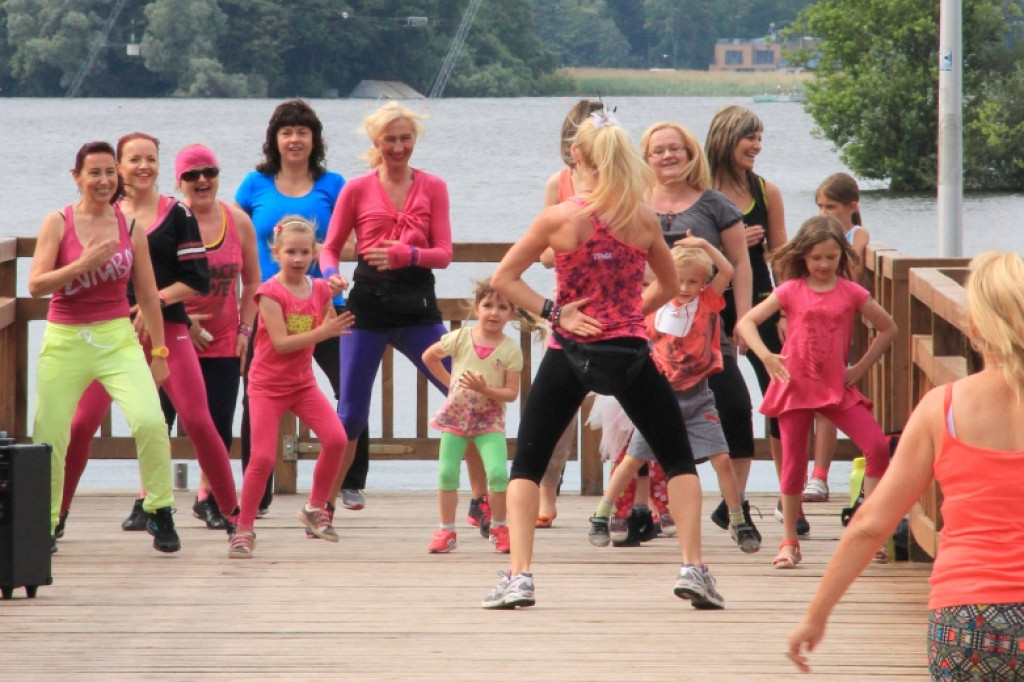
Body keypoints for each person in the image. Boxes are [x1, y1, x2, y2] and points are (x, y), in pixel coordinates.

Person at [483, 111, 723, 610]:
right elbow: (673, 284)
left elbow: (504, 278)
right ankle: (693, 568)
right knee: (677, 458)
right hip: (632, 351)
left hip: (570, 352)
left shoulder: (560, 218)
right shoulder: (641, 218)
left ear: (577, 157)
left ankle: (519, 575)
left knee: (527, 462)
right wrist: (631, 313)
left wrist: (556, 313)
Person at [788, 251, 1024, 678]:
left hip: (966, 616)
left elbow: (871, 524)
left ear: (974, 327)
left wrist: (817, 614)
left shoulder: (944, 407)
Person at [58, 132, 239, 538]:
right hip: (109, 332)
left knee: (197, 419)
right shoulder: (104, 214)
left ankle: (232, 512)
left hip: (168, 327)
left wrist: (152, 300)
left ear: (160, 166)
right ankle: (57, 515)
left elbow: (197, 279)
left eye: (151, 159)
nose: (143, 167)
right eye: (134, 160)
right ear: (119, 168)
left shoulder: (178, 214)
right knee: (81, 423)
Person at [320, 101, 489, 524]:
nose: (398, 147)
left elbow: (444, 254)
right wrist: (330, 277)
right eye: (390, 139)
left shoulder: (433, 186)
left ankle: (481, 500)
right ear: (376, 142)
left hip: (418, 309)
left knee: (463, 397)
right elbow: (329, 247)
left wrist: (406, 254)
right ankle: (321, 504)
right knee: (351, 412)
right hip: (368, 308)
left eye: (405, 138)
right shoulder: (356, 189)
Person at [29, 141, 179, 554]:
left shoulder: (131, 228)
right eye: (93, 173)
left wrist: (161, 354)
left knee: (150, 421)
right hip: (66, 338)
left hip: (116, 337)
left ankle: (160, 509)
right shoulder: (58, 222)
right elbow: (36, 284)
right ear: (76, 177)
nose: (103, 180)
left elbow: (148, 296)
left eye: (110, 172)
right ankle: (47, 522)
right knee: (51, 433)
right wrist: (82, 264)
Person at [234, 98, 370, 519]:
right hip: (270, 302)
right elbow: (233, 235)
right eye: (287, 132)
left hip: (324, 303)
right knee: (256, 394)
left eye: (303, 132)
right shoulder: (254, 185)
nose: (295, 139)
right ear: (274, 140)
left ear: (315, 140)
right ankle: (259, 497)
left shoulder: (334, 185)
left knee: (349, 389)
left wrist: (329, 254)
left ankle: (348, 482)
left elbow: (356, 237)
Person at [736, 216, 896, 568]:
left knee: (876, 447)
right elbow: (745, 322)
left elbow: (887, 328)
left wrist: (860, 368)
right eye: (816, 258)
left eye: (831, 257)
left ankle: (868, 534)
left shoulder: (852, 292)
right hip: (794, 387)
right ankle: (789, 541)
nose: (823, 264)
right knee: (793, 466)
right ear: (803, 257)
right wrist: (766, 357)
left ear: (842, 256)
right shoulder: (791, 290)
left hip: (837, 389)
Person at [588, 240, 759, 554]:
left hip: (698, 397)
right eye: (678, 279)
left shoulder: (708, 301)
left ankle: (738, 520)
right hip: (660, 398)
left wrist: (704, 244)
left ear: (703, 283)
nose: (684, 286)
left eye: (693, 281)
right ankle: (602, 514)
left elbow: (729, 269)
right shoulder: (653, 305)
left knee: (721, 458)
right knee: (633, 459)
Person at [641, 120, 762, 540]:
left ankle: (735, 506)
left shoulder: (714, 204)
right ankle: (641, 511)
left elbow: (740, 263)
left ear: (691, 153)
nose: (668, 156)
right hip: (651, 331)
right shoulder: (635, 202)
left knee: (734, 405)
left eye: (676, 148)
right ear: (646, 159)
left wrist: (743, 319)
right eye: (658, 151)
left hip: (707, 332)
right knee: (641, 418)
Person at [704, 104, 804, 535]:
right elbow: (679, 251)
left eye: (760, 139)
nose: (756, 146)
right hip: (707, 304)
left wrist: (786, 312)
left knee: (782, 396)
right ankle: (730, 501)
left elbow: (782, 257)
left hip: (762, 303)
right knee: (721, 401)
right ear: (727, 139)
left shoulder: (767, 192)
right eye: (750, 138)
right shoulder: (698, 190)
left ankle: (789, 500)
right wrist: (730, 243)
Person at [229, 217, 354, 559]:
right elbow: (283, 343)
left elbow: (328, 318)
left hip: (302, 384)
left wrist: (335, 295)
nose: (297, 259)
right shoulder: (269, 293)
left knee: (337, 439)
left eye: (304, 252)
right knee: (263, 457)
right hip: (267, 385)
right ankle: (244, 529)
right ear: (276, 253)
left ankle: (315, 508)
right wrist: (323, 333)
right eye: (290, 252)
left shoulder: (318, 288)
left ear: (314, 253)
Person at [162, 144, 259, 529]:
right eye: (191, 174)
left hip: (223, 338)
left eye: (209, 172)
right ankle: (148, 500)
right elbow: (150, 282)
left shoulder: (237, 221)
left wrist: (245, 330)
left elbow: (252, 280)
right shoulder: (168, 220)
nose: (202, 181)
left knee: (218, 423)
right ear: (179, 180)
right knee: (158, 419)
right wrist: (184, 320)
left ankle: (209, 498)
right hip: (170, 334)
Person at [422, 279, 539, 554]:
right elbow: (429, 357)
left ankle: (499, 526)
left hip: (490, 422)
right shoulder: (461, 337)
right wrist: (451, 383)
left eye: (502, 307)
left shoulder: (510, 349)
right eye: (488, 305)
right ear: (476, 309)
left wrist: (486, 389)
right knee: (447, 473)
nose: (494, 312)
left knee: (498, 474)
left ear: (511, 314)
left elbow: (511, 393)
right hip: (455, 419)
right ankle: (446, 530)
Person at [536, 98, 604, 528]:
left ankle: (631, 495)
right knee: (554, 411)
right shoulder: (557, 183)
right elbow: (543, 253)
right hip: (568, 308)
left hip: (617, 307)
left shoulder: (626, 183)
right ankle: (547, 491)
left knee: (620, 406)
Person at [803, 172, 869, 503]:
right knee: (806, 402)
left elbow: (854, 269)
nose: (823, 213)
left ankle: (821, 475)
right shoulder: (817, 235)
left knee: (828, 403)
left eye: (830, 206)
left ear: (851, 206)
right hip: (813, 329)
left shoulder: (857, 234)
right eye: (819, 206)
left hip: (839, 328)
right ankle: (805, 475)